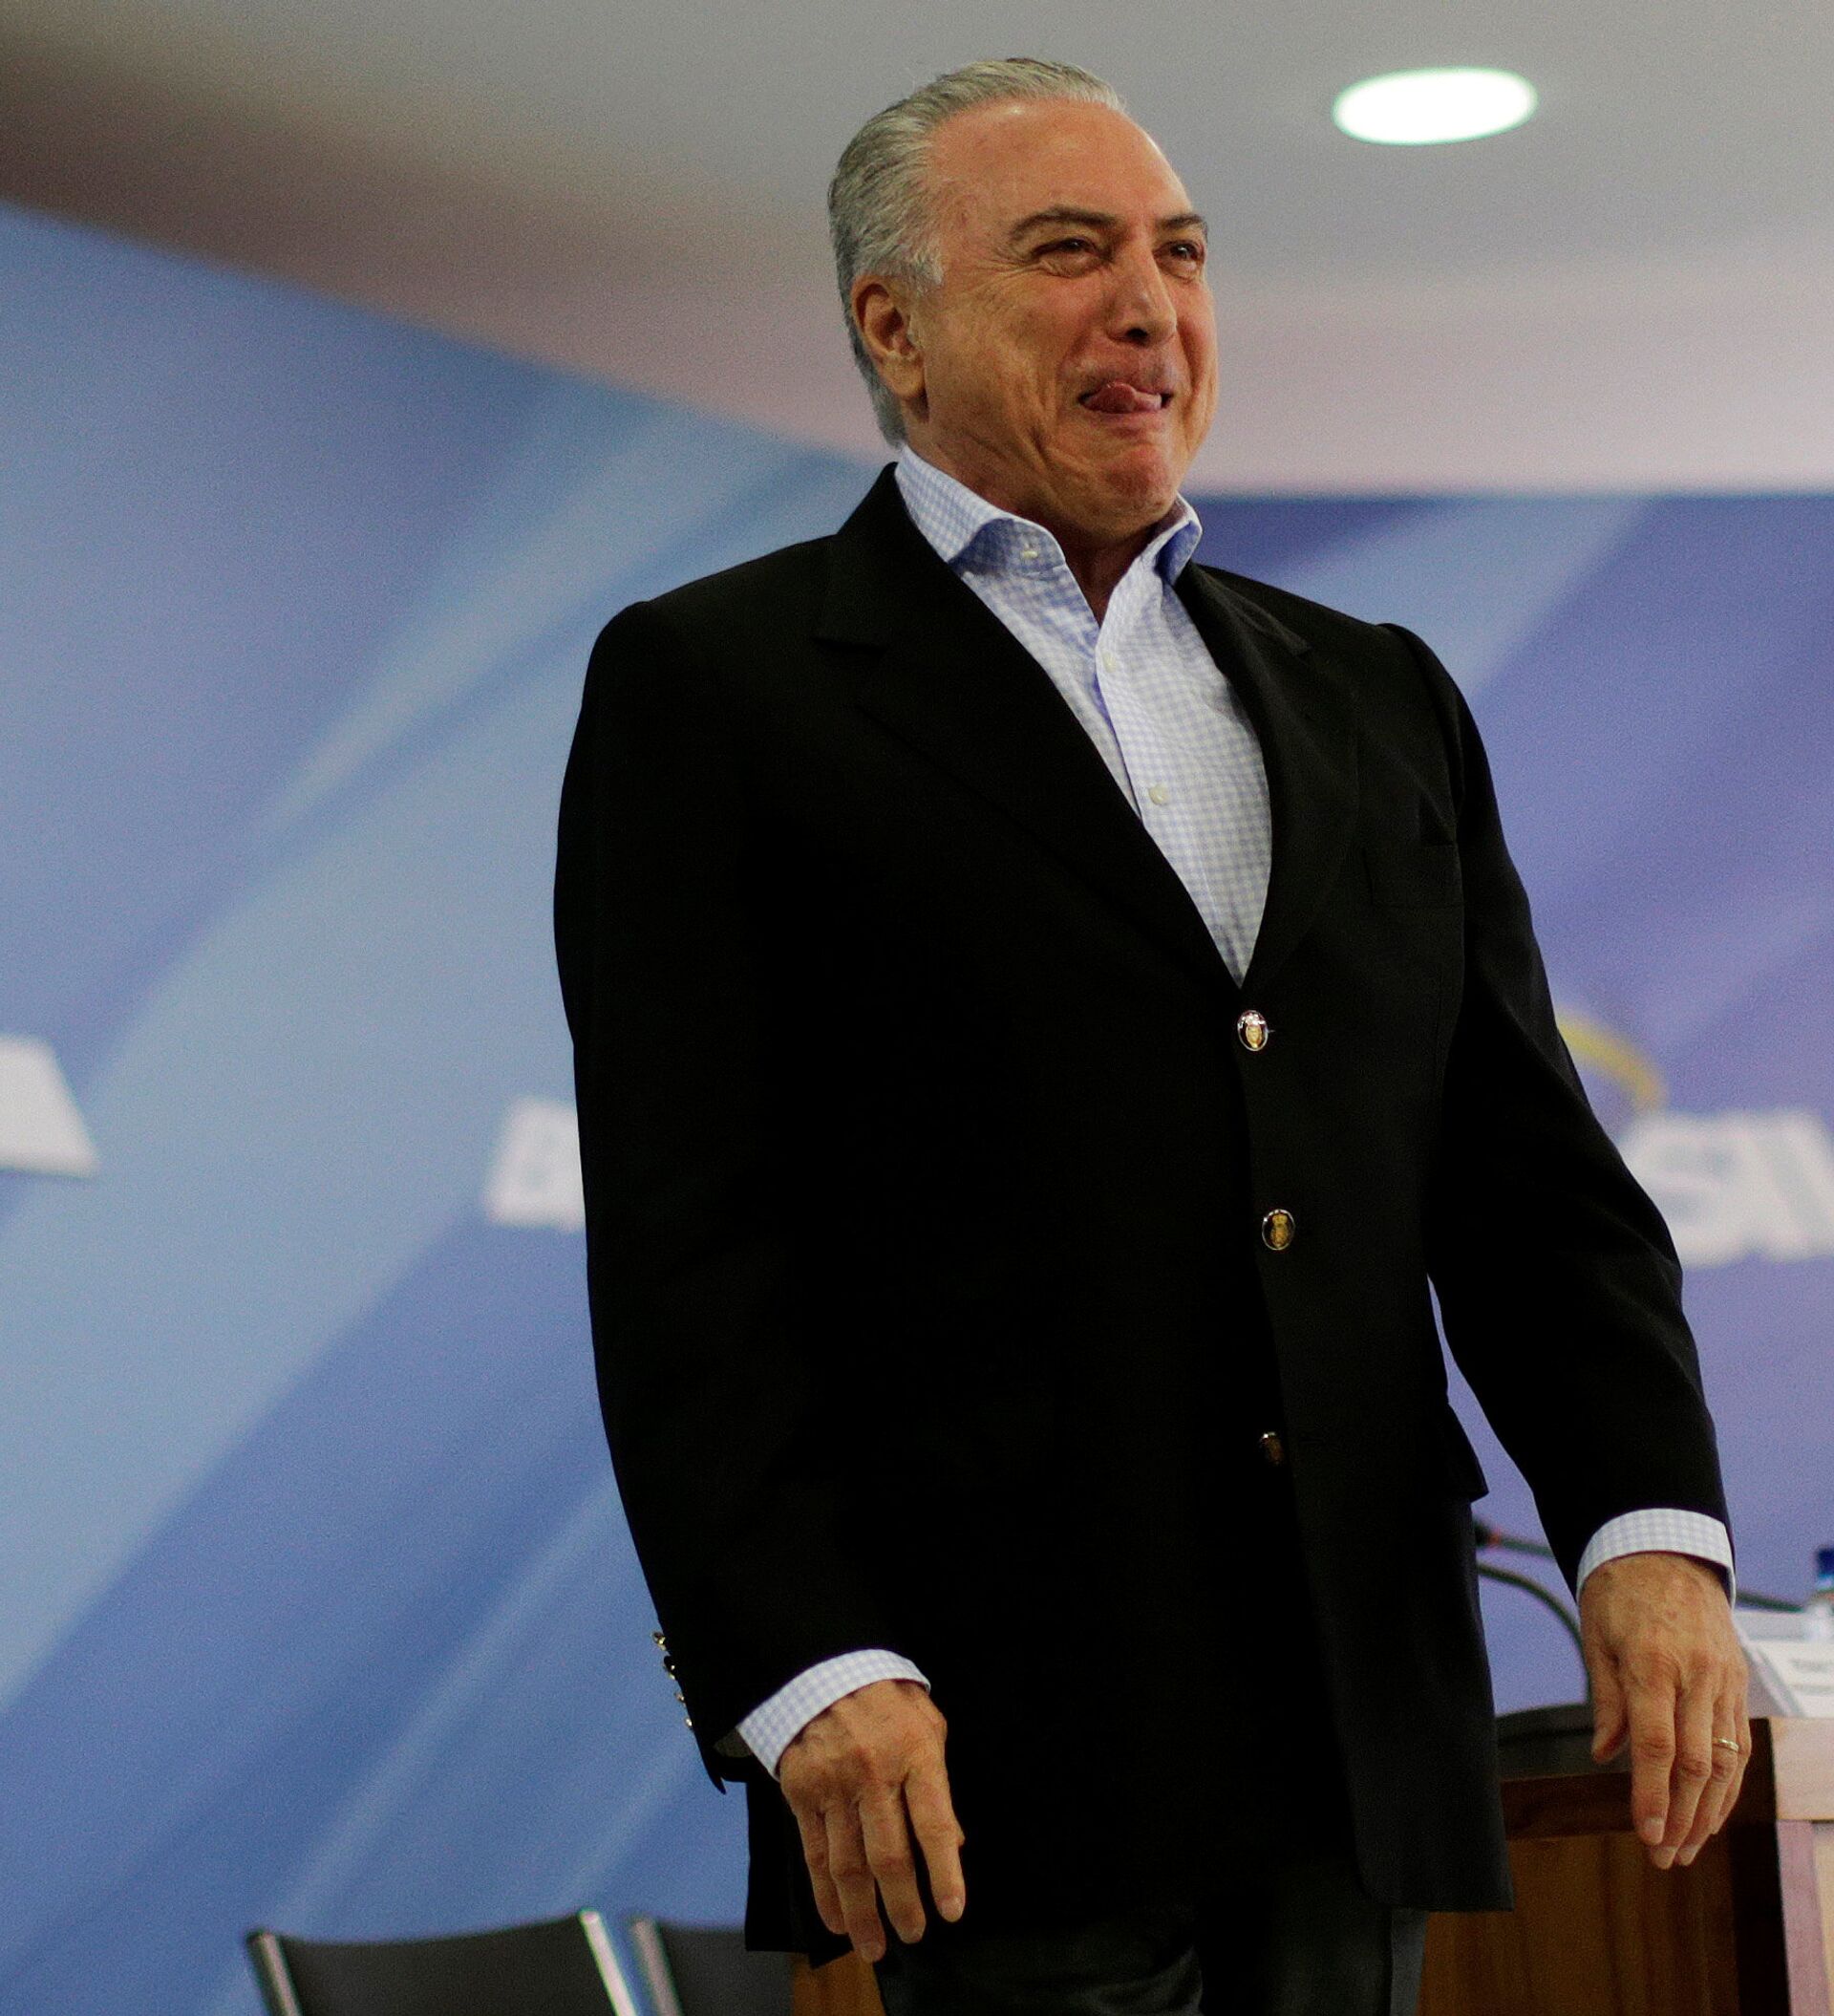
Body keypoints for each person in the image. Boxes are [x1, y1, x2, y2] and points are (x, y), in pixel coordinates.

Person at [553, 57, 1749, 2016]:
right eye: (1067, 252)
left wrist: (1648, 1525)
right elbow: (693, 1252)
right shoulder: (719, 686)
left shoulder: (1375, 693)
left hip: (1354, 1726)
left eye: (1180, 256)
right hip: (988, 1752)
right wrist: (808, 1663)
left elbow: (1529, 1178)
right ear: (894, 327)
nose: (1149, 307)